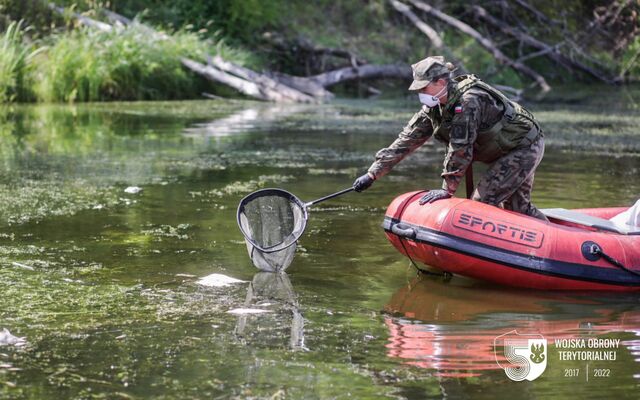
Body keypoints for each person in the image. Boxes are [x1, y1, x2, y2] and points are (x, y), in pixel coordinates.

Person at [353, 56, 548, 221]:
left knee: (481, 204)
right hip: (504, 147)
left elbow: (460, 147)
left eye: (423, 88)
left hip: (524, 146)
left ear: (441, 81)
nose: (421, 94)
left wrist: (447, 189)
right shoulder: (433, 108)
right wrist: (372, 174)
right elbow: (407, 140)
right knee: (518, 209)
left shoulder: (469, 101)